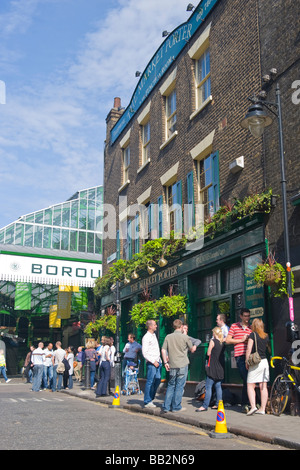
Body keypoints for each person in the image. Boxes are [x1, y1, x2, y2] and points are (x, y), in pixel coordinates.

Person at [161, 319, 196, 412]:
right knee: (179, 386)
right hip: (182, 364)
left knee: (171, 385)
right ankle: (176, 406)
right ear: (181, 327)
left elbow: (163, 350)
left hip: (172, 364)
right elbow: (192, 349)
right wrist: (194, 346)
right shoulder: (185, 337)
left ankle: (166, 406)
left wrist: (165, 362)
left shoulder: (168, 337)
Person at [226, 308, 252, 410]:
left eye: (248, 316)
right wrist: (241, 340)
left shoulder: (251, 327)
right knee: (246, 378)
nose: (247, 318)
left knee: (250, 380)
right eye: (245, 316)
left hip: (250, 357)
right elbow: (228, 340)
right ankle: (247, 402)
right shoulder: (234, 326)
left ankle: (247, 402)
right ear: (241, 316)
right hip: (240, 356)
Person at [196, 327, 225, 412]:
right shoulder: (222, 343)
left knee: (208, 387)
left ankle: (205, 406)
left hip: (212, 368)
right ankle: (218, 404)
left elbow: (208, 353)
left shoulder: (213, 341)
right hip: (220, 368)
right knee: (218, 386)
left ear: (215, 334)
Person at [245, 318, 270, 416]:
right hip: (264, 362)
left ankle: (253, 406)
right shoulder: (266, 336)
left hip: (255, 362)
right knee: (263, 386)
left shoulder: (252, 335)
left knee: (250, 385)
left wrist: (247, 361)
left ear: (254, 326)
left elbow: (248, 349)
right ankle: (263, 409)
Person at [142, 319, 162, 408]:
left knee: (158, 379)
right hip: (152, 363)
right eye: (155, 325)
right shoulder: (146, 337)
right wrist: (153, 361)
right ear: (150, 326)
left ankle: (151, 397)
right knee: (150, 381)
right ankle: (147, 401)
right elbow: (144, 352)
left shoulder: (154, 335)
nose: (156, 326)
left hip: (158, 362)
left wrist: (159, 360)